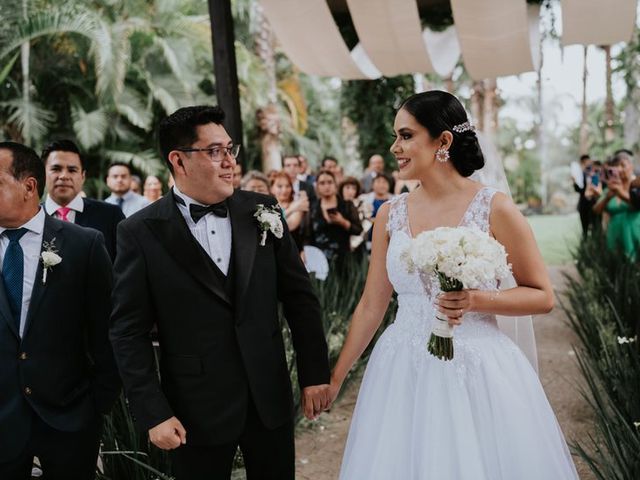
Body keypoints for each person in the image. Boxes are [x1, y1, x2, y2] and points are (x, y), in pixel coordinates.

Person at [327, 91, 578, 479]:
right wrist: (336, 378)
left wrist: (476, 299)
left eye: (406, 136)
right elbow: (371, 305)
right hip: (401, 368)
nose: (395, 147)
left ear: (443, 141)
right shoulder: (388, 215)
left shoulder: (494, 208)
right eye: (395, 137)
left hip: (477, 366)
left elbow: (542, 295)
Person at [109, 105, 330, 480]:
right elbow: (128, 331)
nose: (229, 162)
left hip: (268, 396)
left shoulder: (263, 210)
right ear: (178, 161)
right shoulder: (140, 231)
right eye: (215, 152)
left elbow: (300, 298)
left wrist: (314, 373)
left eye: (230, 149)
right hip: (194, 408)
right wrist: (154, 411)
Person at [0, 142, 120, 480]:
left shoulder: (85, 244)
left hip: (70, 418)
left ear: (28, 186)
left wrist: (98, 405)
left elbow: (106, 329)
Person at [41, 140, 125, 261]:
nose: (64, 176)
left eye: (72, 170)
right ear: (43, 174)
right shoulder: (30, 218)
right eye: (56, 169)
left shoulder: (110, 215)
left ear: (83, 176)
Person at [310, 170, 363, 268]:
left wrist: (343, 222)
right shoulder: (313, 208)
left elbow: (358, 230)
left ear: (335, 184)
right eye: (322, 183)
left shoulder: (347, 205)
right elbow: (308, 235)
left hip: (344, 261)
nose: (327, 186)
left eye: (330, 182)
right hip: (320, 261)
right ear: (317, 186)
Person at [592, 153, 640, 260]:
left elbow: (637, 205)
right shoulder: (610, 188)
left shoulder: (636, 186)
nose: (620, 169)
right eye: (617, 167)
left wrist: (620, 193)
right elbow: (596, 210)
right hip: (614, 234)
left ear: (631, 166)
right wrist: (607, 197)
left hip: (635, 233)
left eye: (623, 165)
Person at [270, 171, 310, 252]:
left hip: (293, 251)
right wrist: (291, 209)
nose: (284, 190)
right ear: (272, 189)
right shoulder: (268, 206)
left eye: (288, 186)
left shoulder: (298, 205)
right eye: (279, 186)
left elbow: (289, 226)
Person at [573, 154, 598, 236]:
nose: (588, 163)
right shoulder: (579, 174)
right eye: (585, 162)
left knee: (595, 227)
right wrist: (575, 182)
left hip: (593, 203)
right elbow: (579, 190)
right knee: (585, 229)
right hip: (583, 204)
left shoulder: (594, 173)